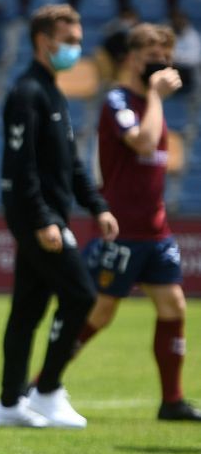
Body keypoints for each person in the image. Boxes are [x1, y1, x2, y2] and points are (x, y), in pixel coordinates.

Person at [0, 4, 118, 429]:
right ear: (44, 41)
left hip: (49, 216)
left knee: (26, 311)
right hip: (36, 218)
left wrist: (97, 205)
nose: (76, 48)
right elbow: (19, 167)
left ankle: (9, 405)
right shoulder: (27, 93)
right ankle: (46, 391)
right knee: (82, 295)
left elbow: (71, 164)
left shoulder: (52, 91)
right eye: (70, 40)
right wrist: (45, 219)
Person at [74, 25, 201, 422]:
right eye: (152, 55)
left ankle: (172, 400)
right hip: (124, 228)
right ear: (132, 57)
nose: (161, 62)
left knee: (173, 305)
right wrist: (155, 97)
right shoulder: (118, 100)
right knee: (101, 313)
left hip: (155, 228)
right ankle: (42, 384)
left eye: (166, 55)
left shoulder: (148, 102)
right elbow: (143, 143)